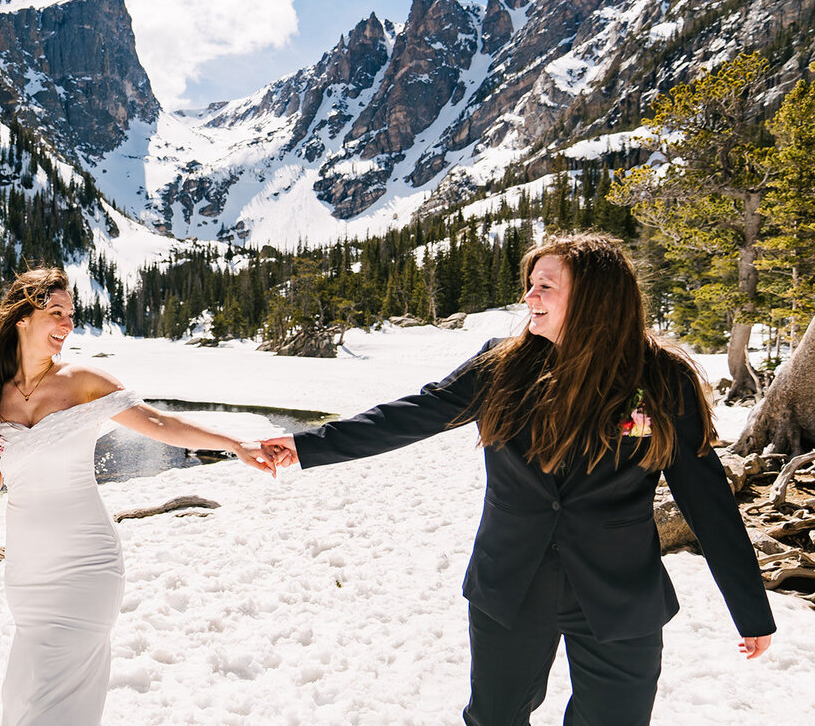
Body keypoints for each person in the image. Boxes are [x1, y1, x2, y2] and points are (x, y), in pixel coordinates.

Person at [262, 232, 775, 726]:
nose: (529, 295)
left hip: (619, 592)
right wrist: (307, 446)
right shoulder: (502, 365)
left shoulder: (662, 379)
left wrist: (750, 610)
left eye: (545, 285)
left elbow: (706, 500)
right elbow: (414, 415)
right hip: (511, 582)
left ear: (595, 298)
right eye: (530, 283)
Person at [0, 267, 274, 726]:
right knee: (23, 696)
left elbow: (161, 424)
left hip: (87, 563)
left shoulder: (82, 380)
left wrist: (234, 443)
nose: (67, 325)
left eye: (71, 314)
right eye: (56, 313)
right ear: (21, 318)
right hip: (27, 573)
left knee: (59, 704)